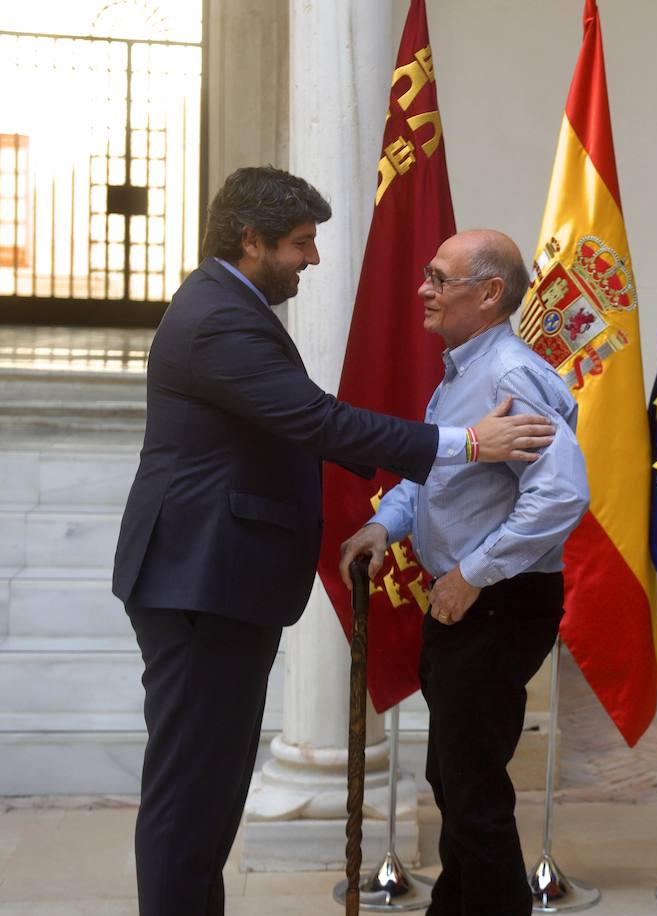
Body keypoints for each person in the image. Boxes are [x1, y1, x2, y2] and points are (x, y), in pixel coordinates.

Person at [112, 168, 555, 916]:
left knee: (207, 794)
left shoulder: (229, 304)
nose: (313, 258)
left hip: (215, 581)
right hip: (201, 582)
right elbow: (316, 422)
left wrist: (398, 512)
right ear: (250, 242)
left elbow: (559, 489)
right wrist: (468, 443)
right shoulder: (222, 317)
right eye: (300, 243)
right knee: (192, 800)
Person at [339, 229, 589, 916]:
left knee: (472, 792)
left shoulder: (510, 374)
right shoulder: (458, 373)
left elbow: (562, 493)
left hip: (497, 603)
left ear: (488, 294)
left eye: (439, 278)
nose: (423, 288)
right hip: (466, 602)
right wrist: (382, 525)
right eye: (426, 273)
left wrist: (474, 573)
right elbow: (433, 472)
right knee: (452, 778)